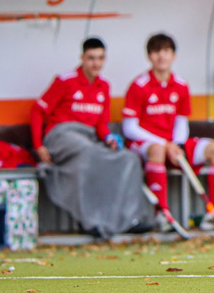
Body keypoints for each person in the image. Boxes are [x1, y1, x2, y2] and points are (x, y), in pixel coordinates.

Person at [30, 38, 152, 238]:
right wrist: (38, 145)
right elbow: (37, 112)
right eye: (91, 58)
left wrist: (110, 139)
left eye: (100, 58)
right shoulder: (65, 80)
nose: (96, 63)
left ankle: (129, 219)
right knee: (89, 153)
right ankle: (91, 221)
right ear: (82, 58)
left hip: (89, 140)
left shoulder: (104, 86)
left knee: (128, 159)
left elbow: (101, 124)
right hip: (62, 135)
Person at [123, 33, 214, 232]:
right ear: (149, 56)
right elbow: (129, 128)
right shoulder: (139, 85)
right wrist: (165, 144)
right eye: (156, 52)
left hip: (174, 144)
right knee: (156, 149)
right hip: (148, 146)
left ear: (173, 55)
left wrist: (178, 144)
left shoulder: (181, 85)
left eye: (166, 51)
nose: (161, 57)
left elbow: (181, 122)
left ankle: (213, 213)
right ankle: (162, 215)